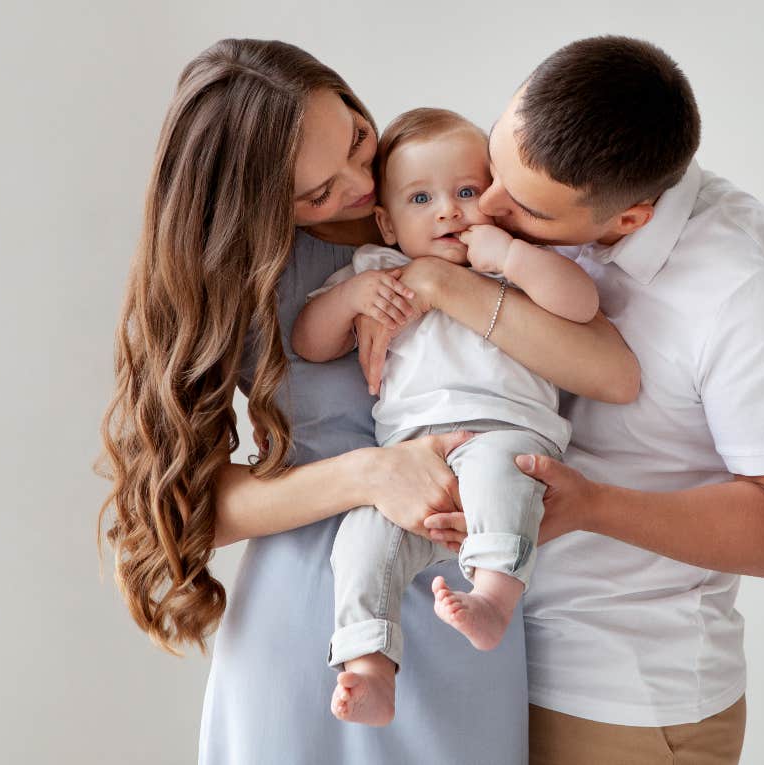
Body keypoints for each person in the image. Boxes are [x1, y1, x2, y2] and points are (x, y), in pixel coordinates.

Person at [96, 39, 640, 764]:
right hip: (314, 619)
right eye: (316, 192)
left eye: (356, 137)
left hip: (467, 593)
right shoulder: (241, 275)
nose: (357, 184)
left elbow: (614, 373)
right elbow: (191, 505)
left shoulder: (462, 195)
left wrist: (438, 283)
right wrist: (371, 474)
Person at [400, 36, 764, 764]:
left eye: (530, 211)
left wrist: (593, 505)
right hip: (468, 668)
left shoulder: (756, 288)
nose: (491, 207)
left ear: (628, 218)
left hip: (617, 695)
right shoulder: (514, 204)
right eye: (496, 166)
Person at [291, 108, 605, 726]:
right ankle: (369, 664)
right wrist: (350, 299)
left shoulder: (513, 265)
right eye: (420, 197)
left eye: (466, 192)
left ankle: (491, 597)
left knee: (499, 471)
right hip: (409, 464)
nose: (448, 211)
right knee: (360, 540)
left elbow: (583, 302)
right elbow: (309, 342)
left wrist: (511, 255)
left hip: (506, 432)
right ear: (385, 221)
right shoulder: (375, 272)